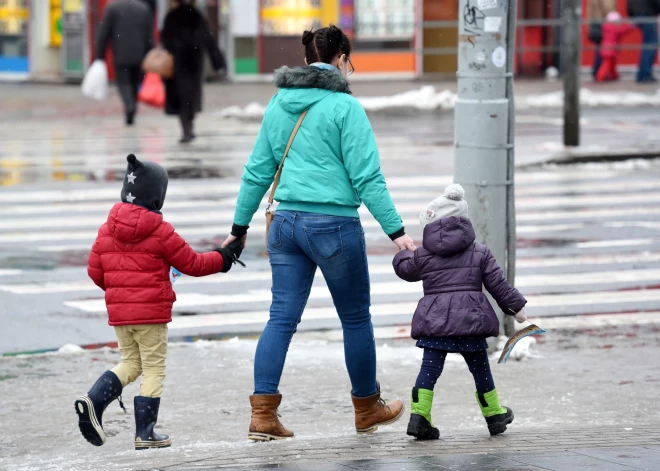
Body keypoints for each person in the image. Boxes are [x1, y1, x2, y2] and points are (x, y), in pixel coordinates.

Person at [221, 25, 415, 441]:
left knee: (280, 318)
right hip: (333, 228)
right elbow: (368, 178)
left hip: (286, 225)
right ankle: (367, 408)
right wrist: (397, 232)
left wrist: (238, 229)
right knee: (355, 318)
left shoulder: (279, 103)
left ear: (306, 59)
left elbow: (257, 171)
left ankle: (263, 415)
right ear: (341, 58)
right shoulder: (346, 108)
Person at [75, 154, 243, 450]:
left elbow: (94, 271)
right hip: (150, 314)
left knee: (131, 362)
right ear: (157, 196)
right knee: (153, 368)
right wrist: (225, 257)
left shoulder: (107, 229)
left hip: (121, 314)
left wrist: (119, 290)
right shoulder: (159, 230)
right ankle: (145, 433)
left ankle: (94, 401)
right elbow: (192, 263)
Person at [393, 184, 528, 440]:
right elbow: (497, 284)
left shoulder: (424, 254)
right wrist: (516, 308)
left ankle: (419, 416)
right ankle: (494, 415)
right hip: (470, 320)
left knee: (429, 369)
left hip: (435, 320)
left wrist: (403, 253)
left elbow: (405, 270)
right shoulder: (480, 252)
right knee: (480, 369)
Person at [161, 0, 226, 143]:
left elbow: (165, 39)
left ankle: (186, 128)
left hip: (177, 61)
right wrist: (218, 62)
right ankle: (189, 125)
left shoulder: (171, 16)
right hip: (194, 61)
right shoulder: (197, 16)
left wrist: (172, 48)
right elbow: (208, 40)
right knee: (192, 94)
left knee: (180, 94)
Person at [95, 0, 154, 125]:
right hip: (140, 55)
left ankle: (129, 105)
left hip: (121, 54)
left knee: (123, 83)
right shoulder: (143, 8)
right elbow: (149, 34)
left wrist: (99, 56)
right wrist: (150, 53)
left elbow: (104, 33)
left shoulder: (112, 7)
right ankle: (132, 106)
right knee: (135, 83)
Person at [596, 12, 636, 82]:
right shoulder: (613, 28)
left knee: (611, 64)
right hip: (610, 50)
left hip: (607, 49)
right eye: (618, 21)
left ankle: (614, 76)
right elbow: (623, 30)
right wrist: (630, 26)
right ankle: (600, 77)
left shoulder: (607, 27)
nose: (619, 23)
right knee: (607, 65)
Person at [627, 0, 660, 82]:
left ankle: (643, 73)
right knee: (651, 44)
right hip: (647, 15)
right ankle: (645, 73)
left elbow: (629, 5)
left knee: (648, 44)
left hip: (638, 15)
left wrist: (632, 15)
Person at [588, 0, 617, 78]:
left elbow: (590, 12)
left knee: (599, 49)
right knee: (603, 51)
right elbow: (608, 9)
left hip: (595, 24)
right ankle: (599, 72)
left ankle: (597, 71)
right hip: (604, 24)